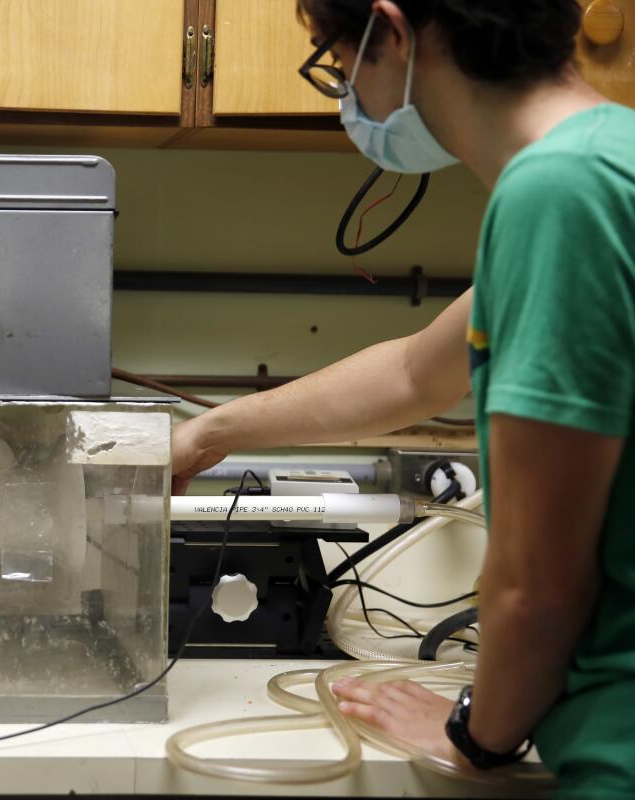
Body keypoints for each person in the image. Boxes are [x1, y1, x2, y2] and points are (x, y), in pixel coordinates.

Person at [171, 0, 635, 795]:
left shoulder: (559, 195)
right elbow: (417, 372)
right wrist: (213, 432)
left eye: (335, 58)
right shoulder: (610, 156)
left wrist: (473, 736)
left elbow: (538, 587)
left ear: (390, 32)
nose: (349, 93)